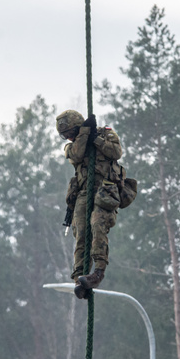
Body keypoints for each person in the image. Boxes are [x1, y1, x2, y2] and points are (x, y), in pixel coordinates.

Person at [56, 109, 123, 298]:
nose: (68, 138)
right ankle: (79, 278)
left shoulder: (105, 134)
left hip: (105, 190)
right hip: (84, 192)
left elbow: (116, 152)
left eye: (70, 133)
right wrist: (84, 134)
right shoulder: (72, 146)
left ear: (77, 127)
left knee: (97, 223)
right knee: (81, 231)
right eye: (65, 136)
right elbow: (77, 155)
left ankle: (98, 272)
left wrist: (96, 139)